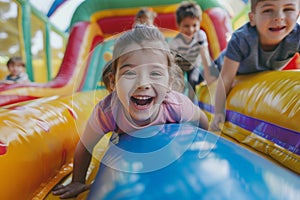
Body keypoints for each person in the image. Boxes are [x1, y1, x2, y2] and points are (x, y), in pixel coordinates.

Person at [52, 25, 209, 199]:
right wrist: (78, 181)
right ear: (113, 81)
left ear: (169, 82)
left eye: (155, 73)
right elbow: (85, 147)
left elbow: (201, 118)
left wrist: (202, 145)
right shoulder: (108, 111)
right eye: (130, 73)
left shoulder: (175, 105)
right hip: (123, 149)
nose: (142, 83)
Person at [210, 0, 300, 131]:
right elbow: (226, 78)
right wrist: (218, 112)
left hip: (259, 69)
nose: (279, 16)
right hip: (222, 66)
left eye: (288, 9)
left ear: (297, 15)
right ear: (252, 18)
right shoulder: (242, 39)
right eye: (268, 10)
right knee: (208, 77)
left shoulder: (296, 37)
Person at [169, 1, 216, 101]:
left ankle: (191, 104)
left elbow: (205, 56)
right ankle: (177, 102)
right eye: (186, 26)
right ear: (178, 25)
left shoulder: (200, 36)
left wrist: (209, 75)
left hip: (194, 64)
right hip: (180, 64)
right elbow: (171, 63)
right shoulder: (176, 42)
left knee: (193, 81)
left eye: (194, 25)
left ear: (199, 23)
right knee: (178, 84)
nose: (190, 29)